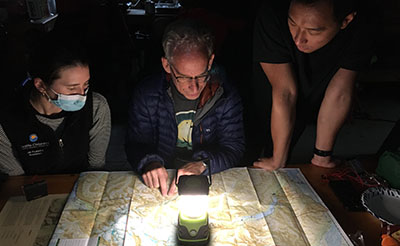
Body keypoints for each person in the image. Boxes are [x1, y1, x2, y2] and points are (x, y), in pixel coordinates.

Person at [126, 19, 245, 196]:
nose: (195, 87)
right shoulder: (147, 94)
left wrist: (203, 164)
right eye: (184, 77)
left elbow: (234, 147)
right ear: (167, 65)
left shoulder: (224, 94)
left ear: (210, 62)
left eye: (202, 75)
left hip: (208, 176)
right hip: (163, 182)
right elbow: (136, 143)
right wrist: (149, 162)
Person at [252, 0, 374, 170]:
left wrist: (322, 157)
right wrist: (277, 159)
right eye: (292, 24)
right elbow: (285, 92)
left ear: (346, 21)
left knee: (293, 134)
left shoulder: (362, 26)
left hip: (313, 90)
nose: (298, 39)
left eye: (313, 31)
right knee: (252, 146)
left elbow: (339, 92)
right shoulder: (272, 13)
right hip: (267, 86)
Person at [0, 38, 111, 175]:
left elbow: (96, 168)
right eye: (72, 88)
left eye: (86, 84)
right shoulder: (8, 119)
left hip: (82, 185)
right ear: (41, 85)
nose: (82, 94)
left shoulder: (96, 107)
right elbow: (16, 180)